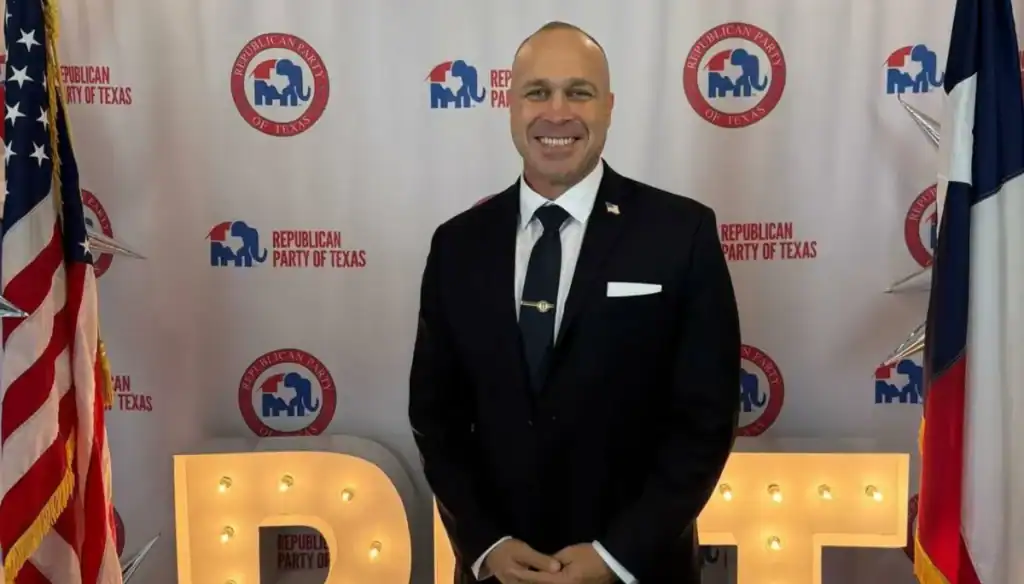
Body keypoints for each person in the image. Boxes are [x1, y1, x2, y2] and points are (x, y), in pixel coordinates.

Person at [409, 21, 741, 584]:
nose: (557, 113)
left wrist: (617, 555)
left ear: (608, 106)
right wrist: (486, 544)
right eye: (537, 92)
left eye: (579, 92)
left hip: (640, 571)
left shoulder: (680, 233)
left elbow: (705, 422)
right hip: (499, 573)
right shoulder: (457, 245)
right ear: (511, 105)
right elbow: (435, 417)